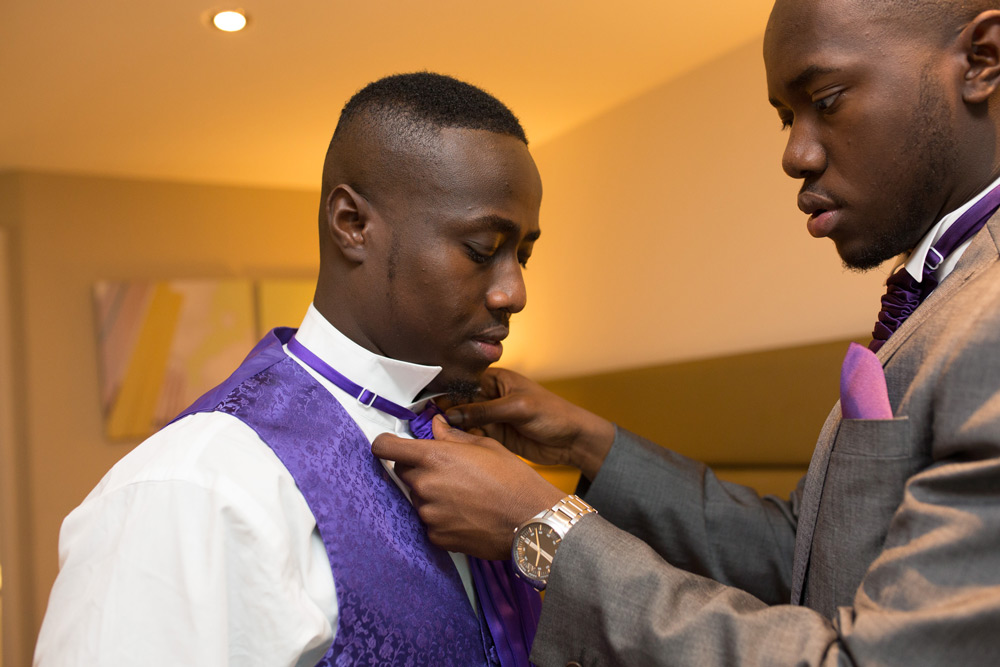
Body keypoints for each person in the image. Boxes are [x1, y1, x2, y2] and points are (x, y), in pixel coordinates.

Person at [372, 1, 1000, 664]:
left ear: (983, 59)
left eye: (827, 99)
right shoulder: (944, 291)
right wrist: (589, 441)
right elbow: (803, 553)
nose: (795, 153)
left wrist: (549, 529)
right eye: (787, 117)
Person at [33, 72, 544, 666]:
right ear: (352, 224)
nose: (515, 291)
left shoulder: (480, 456)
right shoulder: (196, 490)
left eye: (524, 255)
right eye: (482, 250)